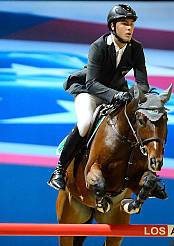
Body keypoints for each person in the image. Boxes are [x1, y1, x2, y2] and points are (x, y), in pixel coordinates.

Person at [47, 4, 150, 190]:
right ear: (112, 26)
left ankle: (144, 176)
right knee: (86, 122)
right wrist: (115, 95)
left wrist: (141, 97)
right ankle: (59, 170)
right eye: (124, 24)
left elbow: (142, 82)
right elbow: (92, 83)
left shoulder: (136, 48)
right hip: (90, 91)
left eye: (132, 24)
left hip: (118, 93)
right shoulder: (98, 46)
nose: (130, 28)